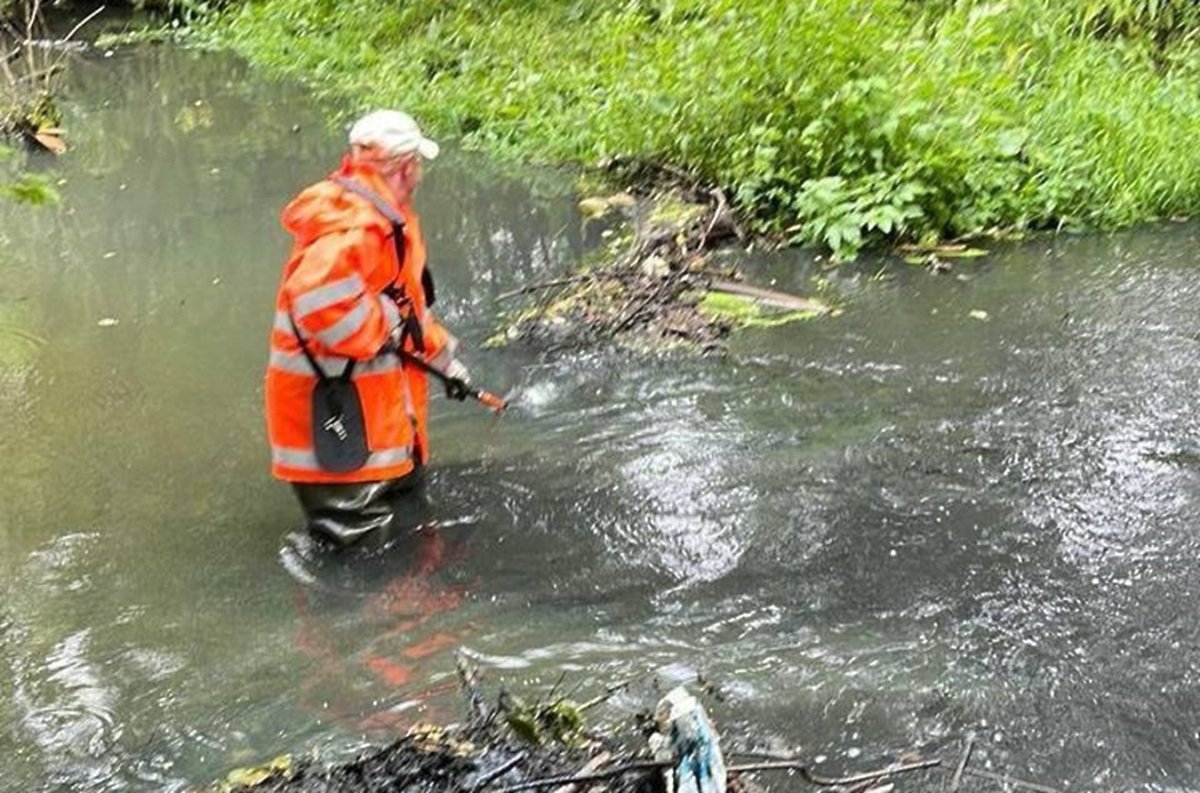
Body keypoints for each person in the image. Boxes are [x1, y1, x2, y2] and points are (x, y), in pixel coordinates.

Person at [265, 109, 470, 550]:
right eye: (419, 164)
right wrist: (385, 325)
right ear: (406, 166)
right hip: (338, 424)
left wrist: (444, 360)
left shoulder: (378, 216)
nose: (419, 174)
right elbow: (318, 299)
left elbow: (405, 312)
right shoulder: (358, 225)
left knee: (402, 538)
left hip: (375, 425)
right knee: (358, 558)